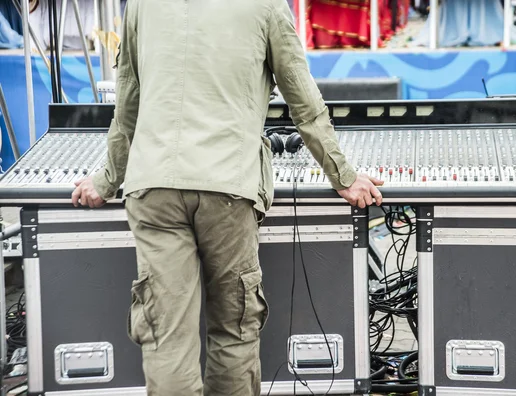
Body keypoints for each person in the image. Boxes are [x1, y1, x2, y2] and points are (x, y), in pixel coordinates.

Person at [71, 0, 383, 395]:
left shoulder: (141, 5)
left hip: (153, 186)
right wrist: (343, 177)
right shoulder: (267, 5)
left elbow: (127, 102)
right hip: (228, 188)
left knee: (166, 337)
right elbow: (304, 102)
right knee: (234, 331)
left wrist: (108, 179)